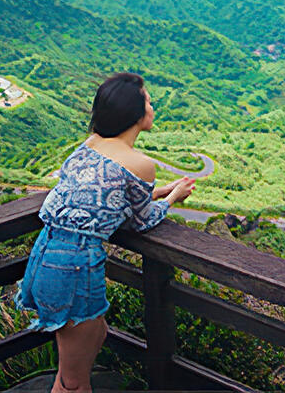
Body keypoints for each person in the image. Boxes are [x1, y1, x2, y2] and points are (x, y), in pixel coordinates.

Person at [15, 72, 196, 393]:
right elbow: (141, 221)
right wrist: (172, 198)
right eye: (149, 101)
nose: (153, 107)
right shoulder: (140, 163)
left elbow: (106, 199)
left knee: (92, 337)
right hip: (74, 265)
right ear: (136, 114)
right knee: (74, 384)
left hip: (46, 251)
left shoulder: (89, 145)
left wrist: (160, 190)